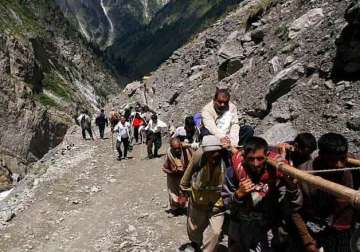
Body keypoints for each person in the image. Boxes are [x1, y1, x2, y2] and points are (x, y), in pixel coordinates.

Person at [222, 136, 302, 252]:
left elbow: (292, 206)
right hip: (240, 224)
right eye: (251, 159)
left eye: (260, 158)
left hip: (267, 225)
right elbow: (227, 205)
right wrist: (238, 195)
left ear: (267, 156)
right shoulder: (233, 173)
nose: (255, 164)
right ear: (244, 157)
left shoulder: (277, 173)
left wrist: (292, 187)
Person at [298, 133, 355, 252]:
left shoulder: (352, 163)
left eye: (343, 159)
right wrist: (306, 239)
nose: (339, 165)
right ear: (320, 155)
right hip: (316, 228)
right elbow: (295, 210)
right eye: (333, 161)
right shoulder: (304, 173)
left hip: (345, 226)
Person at [180, 135, 229, 252]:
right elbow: (186, 177)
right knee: (196, 228)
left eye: (216, 152)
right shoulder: (198, 158)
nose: (214, 155)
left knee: (216, 232)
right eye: (210, 153)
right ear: (205, 152)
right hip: (198, 200)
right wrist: (183, 193)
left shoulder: (226, 160)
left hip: (217, 203)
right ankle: (195, 244)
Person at [163, 137, 192, 216]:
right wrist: (172, 171)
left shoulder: (186, 151)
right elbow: (164, 168)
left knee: (185, 192)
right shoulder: (169, 154)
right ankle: (174, 209)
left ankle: (184, 207)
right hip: (173, 176)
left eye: (179, 148)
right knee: (173, 193)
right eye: (175, 149)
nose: (177, 151)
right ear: (171, 147)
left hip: (185, 175)